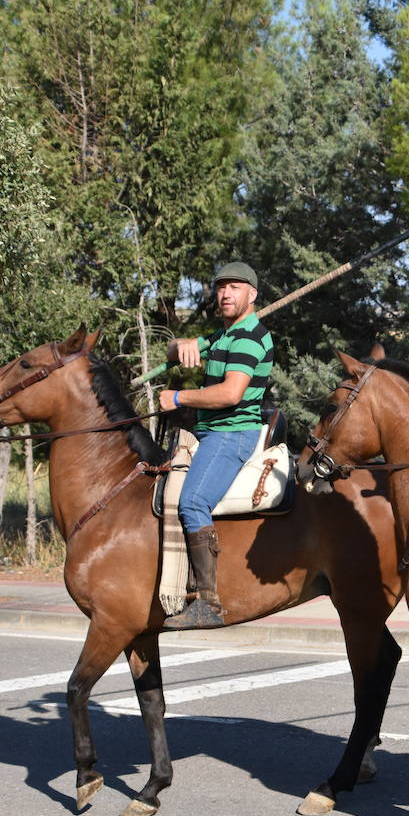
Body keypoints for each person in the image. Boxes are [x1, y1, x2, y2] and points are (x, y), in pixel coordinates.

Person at [157, 261, 274, 629]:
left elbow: (230, 393)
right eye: (221, 287)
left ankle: (208, 602)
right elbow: (168, 351)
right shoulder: (221, 335)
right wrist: (183, 345)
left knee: (192, 502)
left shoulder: (248, 338)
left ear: (252, 295)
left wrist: (179, 398)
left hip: (232, 434)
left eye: (235, 287)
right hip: (208, 433)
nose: (225, 293)